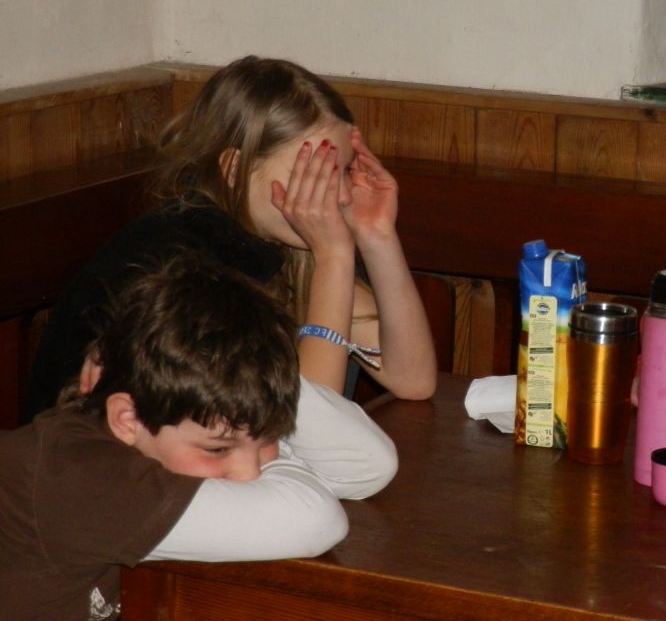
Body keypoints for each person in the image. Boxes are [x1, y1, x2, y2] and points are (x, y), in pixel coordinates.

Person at [27, 55, 436, 418]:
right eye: (312, 176)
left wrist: (377, 236)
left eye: (343, 171)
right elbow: (307, 432)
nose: (341, 197)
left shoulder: (287, 245)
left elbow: (413, 379)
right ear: (235, 169)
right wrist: (334, 256)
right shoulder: (179, 264)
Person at [0, 253, 398, 621]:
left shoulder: (158, 422)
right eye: (218, 448)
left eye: (268, 440)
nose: (250, 473)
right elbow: (315, 522)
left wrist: (249, 373)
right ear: (126, 418)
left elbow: (367, 464)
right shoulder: (79, 478)